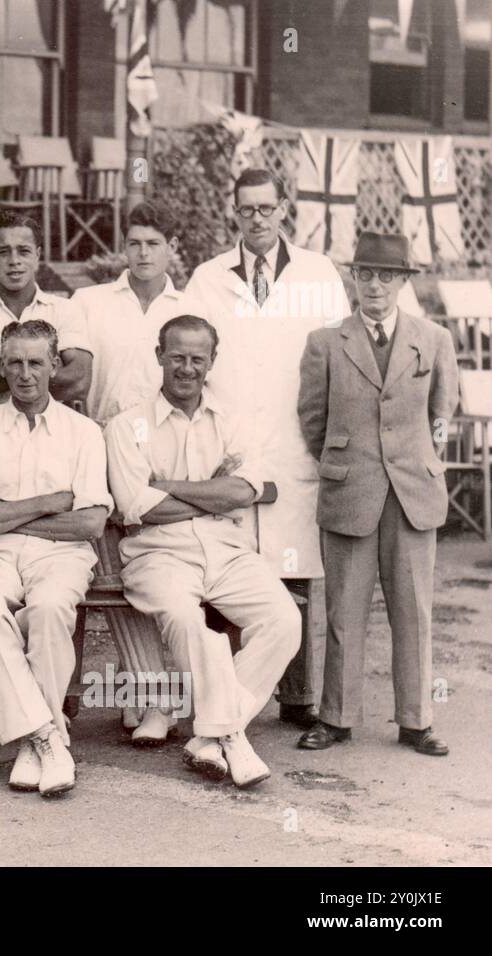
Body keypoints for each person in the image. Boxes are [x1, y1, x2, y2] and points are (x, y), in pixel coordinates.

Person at [186, 168, 352, 731]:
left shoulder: (318, 274)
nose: (256, 220)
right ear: (233, 213)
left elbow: (338, 359)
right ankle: (224, 692)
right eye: (245, 210)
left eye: (265, 209)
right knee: (227, 567)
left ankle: (297, 696)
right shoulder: (208, 278)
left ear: (284, 210)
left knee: (293, 567)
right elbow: (189, 355)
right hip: (230, 444)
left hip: (293, 442)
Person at [105, 316, 302, 788]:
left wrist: (169, 487)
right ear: (159, 356)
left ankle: (213, 735)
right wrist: (213, 492)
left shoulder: (231, 422)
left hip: (228, 550)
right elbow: (136, 507)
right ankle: (227, 735)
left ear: (212, 361)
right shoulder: (127, 425)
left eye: (197, 358)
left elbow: (245, 491)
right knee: (186, 618)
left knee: (284, 621)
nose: (187, 368)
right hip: (158, 555)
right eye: (177, 357)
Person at [295, 233, 459, 757]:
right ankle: (336, 718)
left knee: (413, 611)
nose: (374, 285)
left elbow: (442, 413)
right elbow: (312, 419)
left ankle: (416, 721)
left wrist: (422, 461)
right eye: (364, 274)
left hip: (413, 493)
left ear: (403, 281)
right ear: (353, 279)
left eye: (386, 276)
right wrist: (344, 462)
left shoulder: (433, 339)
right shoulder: (325, 342)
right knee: (343, 610)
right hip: (351, 492)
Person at [0, 320, 111, 797]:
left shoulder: (83, 432)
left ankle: (29, 741)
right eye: (15, 363)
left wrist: (4, 513)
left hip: (62, 553)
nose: (24, 374)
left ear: (55, 366)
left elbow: (89, 525)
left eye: (35, 363)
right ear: (2, 366)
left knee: (47, 608)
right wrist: (46, 502)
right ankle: (47, 735)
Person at [70, 201, 205, 745]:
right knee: (116, 578)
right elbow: (77, 379)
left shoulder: (192, 305)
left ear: (172, 247)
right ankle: (148, 697)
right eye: (134, 242)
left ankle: (151, 697)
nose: (143, 252)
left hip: (171, 451)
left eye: (154, 242)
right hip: (106, 449)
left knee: (163, 574)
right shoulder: (92, 301)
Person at [0, 210, 90, 416]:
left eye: (23, 251)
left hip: (55, 434)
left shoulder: (64, 309)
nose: (14, 260)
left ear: (37, 256)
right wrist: (44, 363)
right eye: (3, 251)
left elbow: (79, 381)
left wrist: (0, 362)